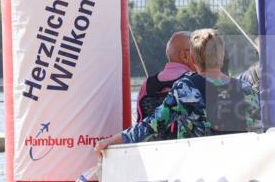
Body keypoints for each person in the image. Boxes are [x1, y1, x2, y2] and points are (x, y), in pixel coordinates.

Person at [96, 29, 262, 155]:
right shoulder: (246, 89)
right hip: (239, 175)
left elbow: (151, 126)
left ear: (192, 58)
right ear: (221, 55)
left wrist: (111, 141)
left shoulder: (187, 88)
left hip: (198, 173)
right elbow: (258, 134)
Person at [135, 31, 194, 123]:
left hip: (151, 136)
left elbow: (140, 121)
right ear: (185, 56)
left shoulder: (146, 85)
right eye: (198, 52)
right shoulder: (194, 82)